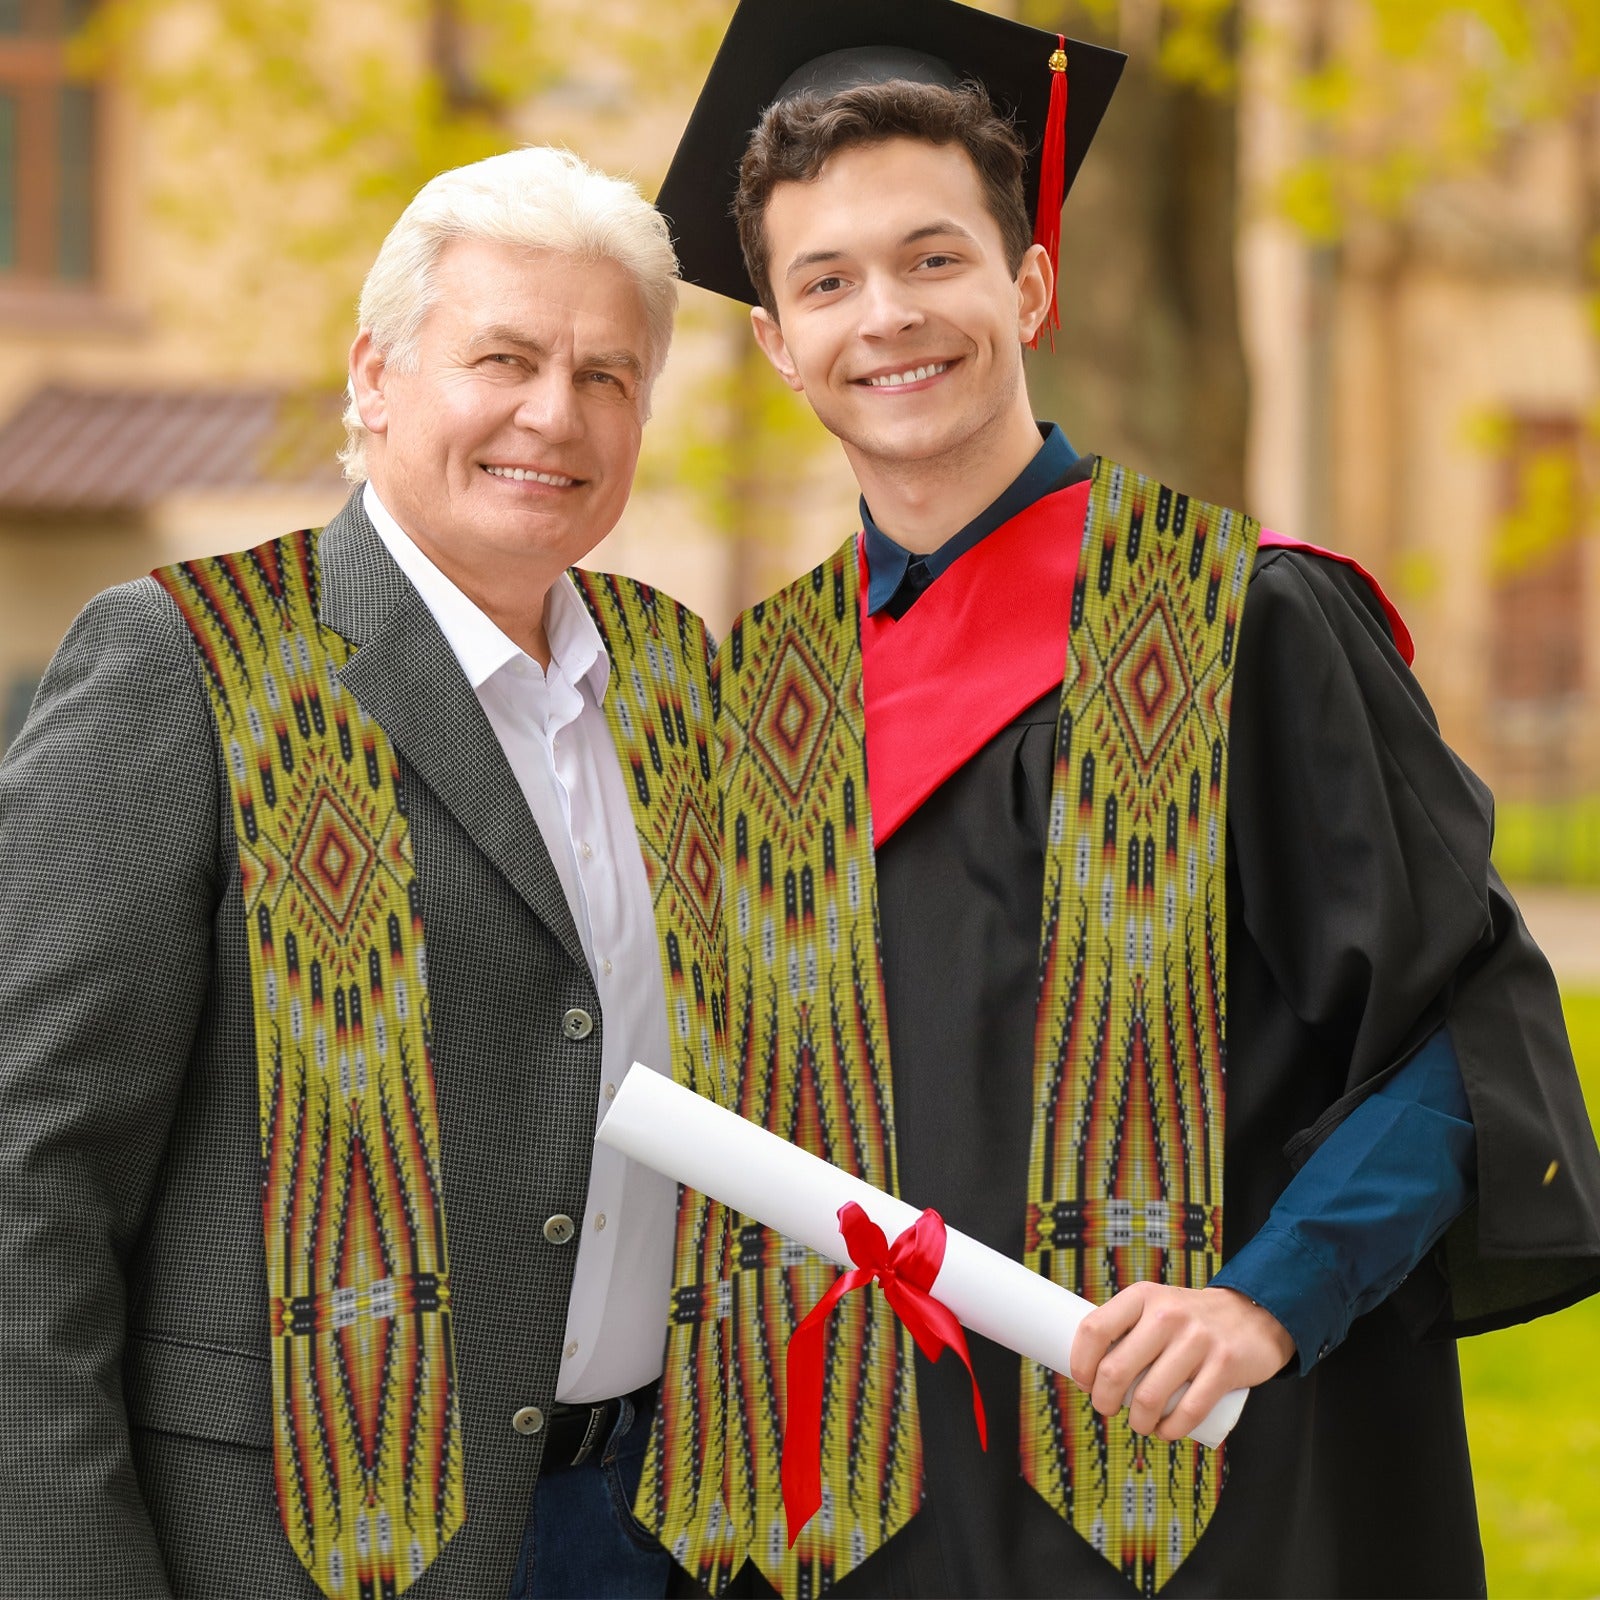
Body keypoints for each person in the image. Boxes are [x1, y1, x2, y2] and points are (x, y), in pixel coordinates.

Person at [631, 3, 1600, 1596]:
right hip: (864, 1519)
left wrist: (1268, 1300)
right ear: (777, 341)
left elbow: (1461, 1035)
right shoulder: (767, 697)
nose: (888, 316)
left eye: (935, 259)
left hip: (1201, 1496)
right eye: (828, 281)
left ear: (1029, 282)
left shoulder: (1244, 621)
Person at [0, 146, 725, 1600]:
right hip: (294, 1549)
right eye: (504, 357)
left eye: (606, 375)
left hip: (651, 1528)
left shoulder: (673, 676)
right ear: (376, 377)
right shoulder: (186, 663)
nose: (553, 413)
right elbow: (30, 1176)